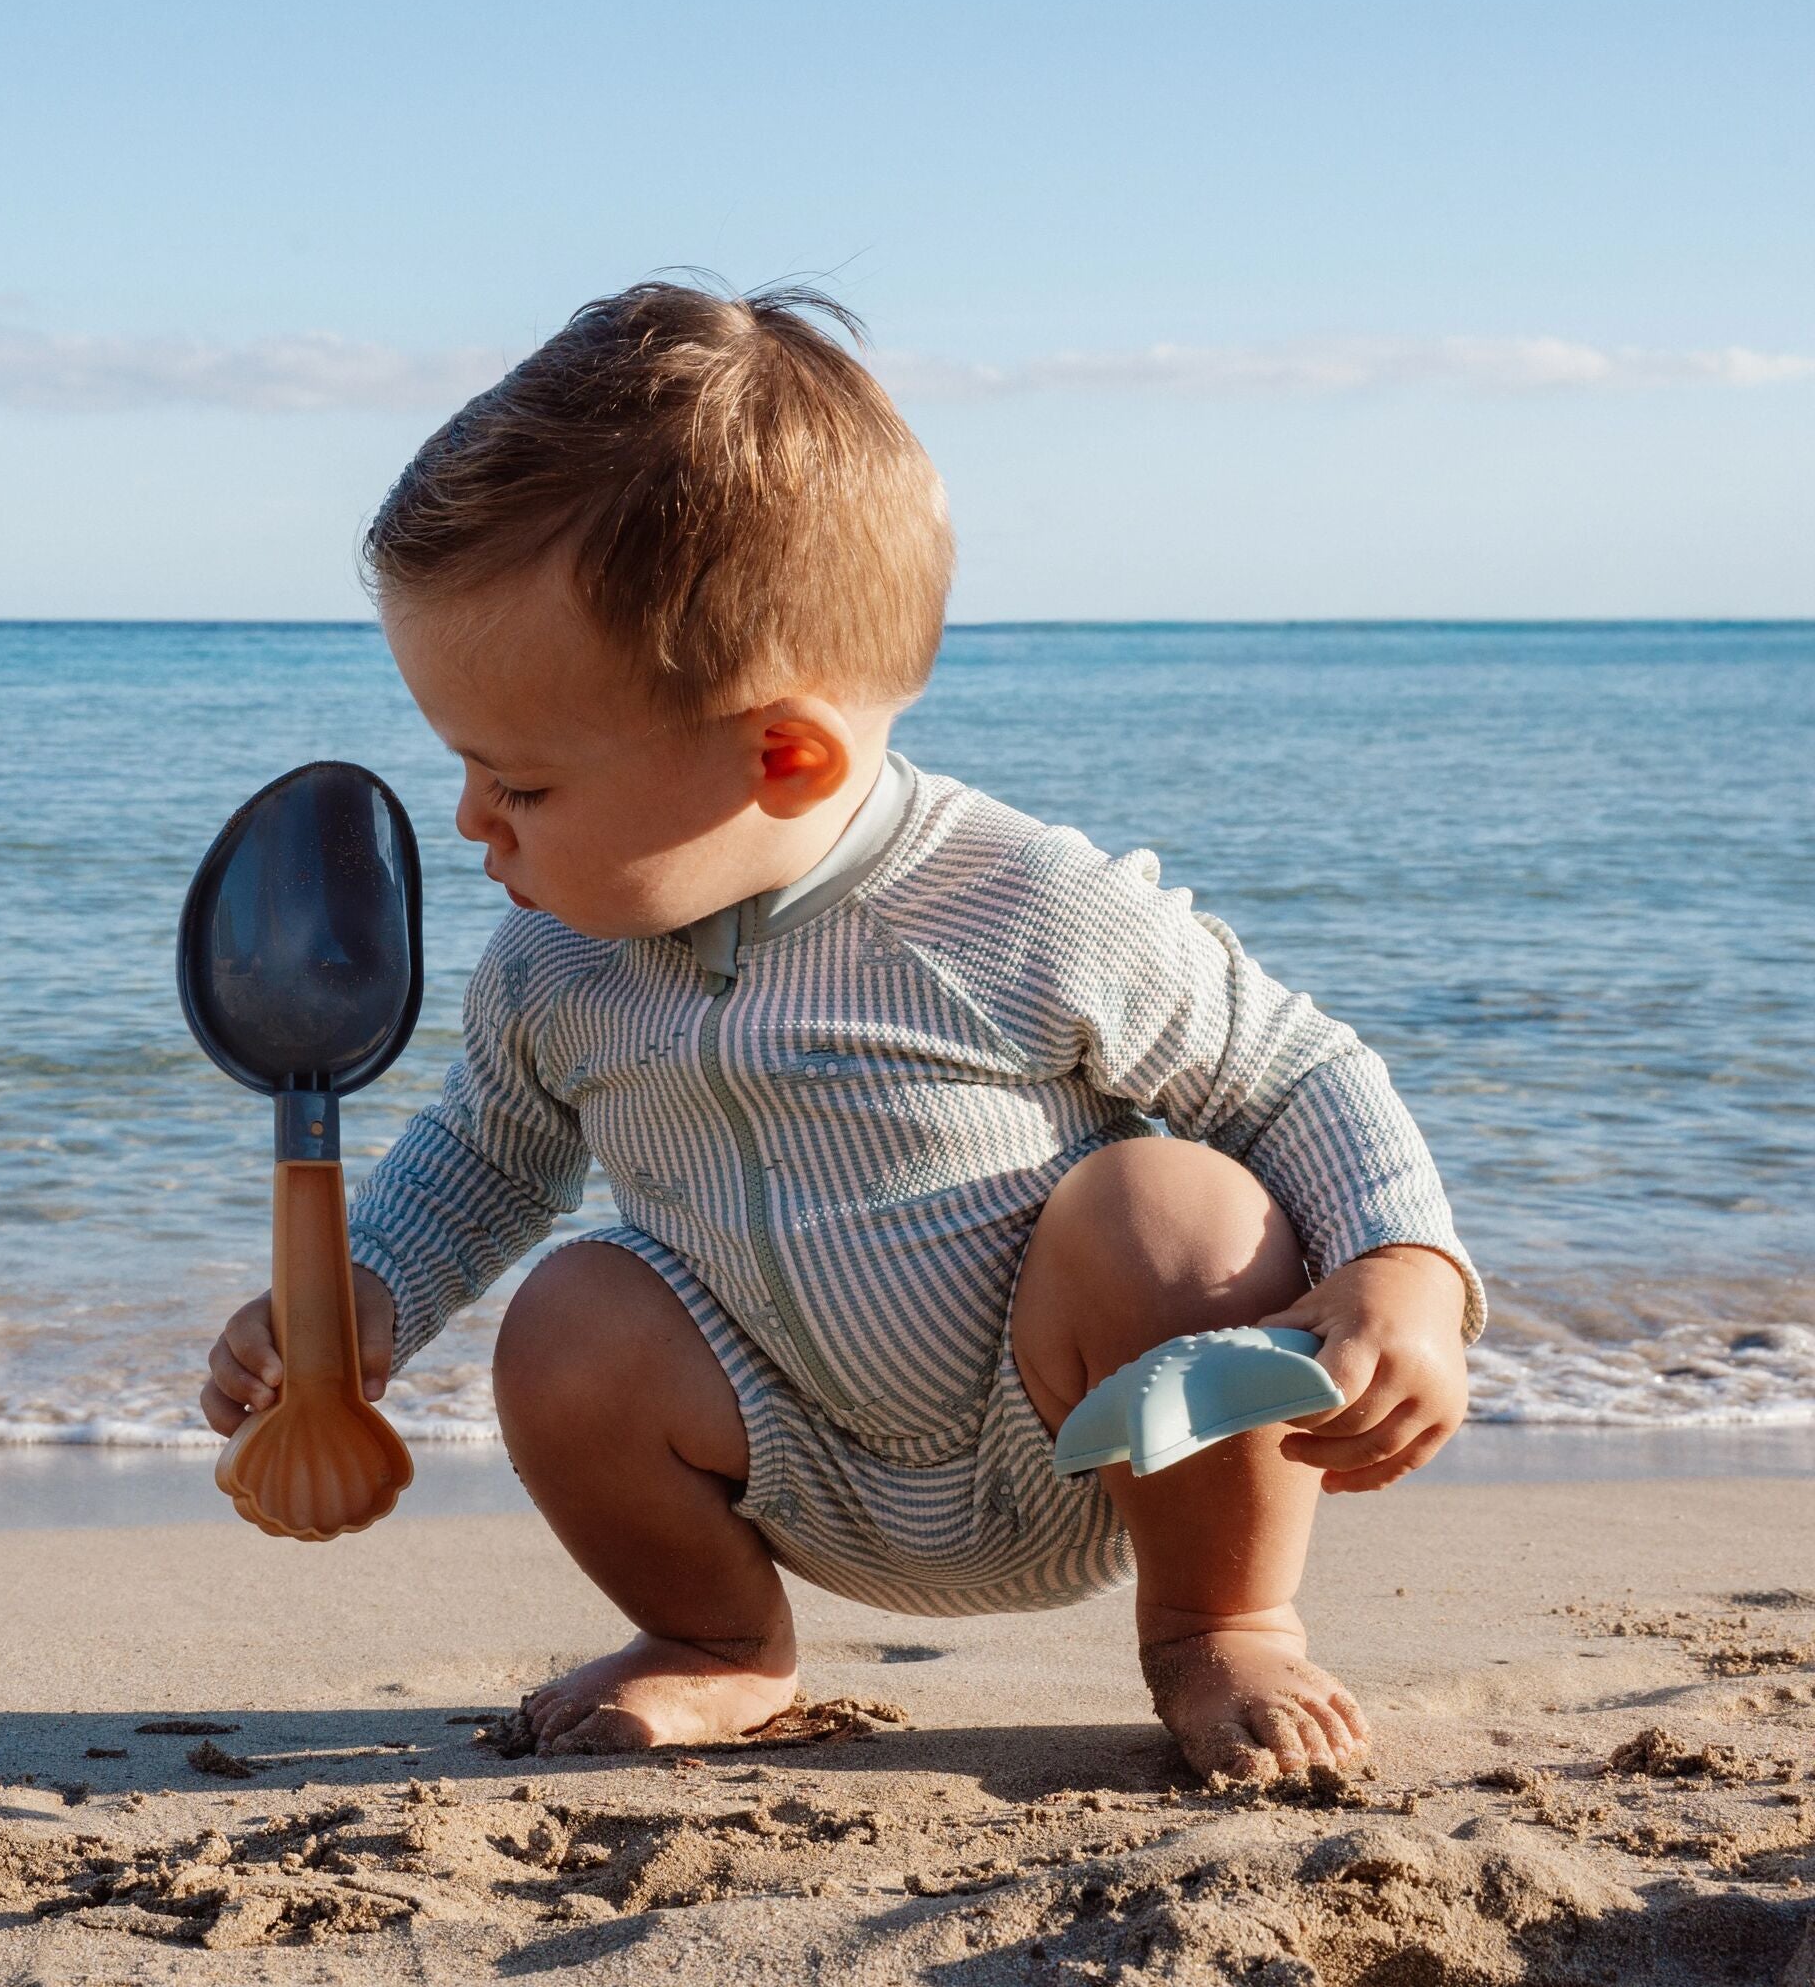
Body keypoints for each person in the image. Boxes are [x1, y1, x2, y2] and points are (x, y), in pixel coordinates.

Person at [200, 281, 1480, 1785]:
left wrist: (1404, 1275)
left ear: (785, 756)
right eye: (465, 770)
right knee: (572, 1312)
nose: (471, 822)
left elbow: (1298, 1072)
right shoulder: (555, 962)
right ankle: (716, 1639)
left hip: (1093, 1436)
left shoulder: (1016, 906)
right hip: (786, 1452)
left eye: (524, 785)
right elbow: (487, 1154)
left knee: (1175, 1211)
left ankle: (1223, 1628)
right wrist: (359, 1305)